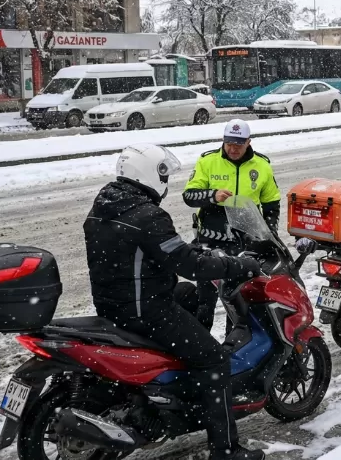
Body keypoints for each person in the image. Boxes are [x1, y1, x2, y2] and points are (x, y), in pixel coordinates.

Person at [85, 145, 266, 460]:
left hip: (115, 304)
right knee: (215, 360)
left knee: (193, 296)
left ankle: (179, 386)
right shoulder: (147, 215)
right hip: (147, 311)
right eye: (163, 173)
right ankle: (226, 450)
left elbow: (149, 257)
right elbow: (189, 264)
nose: (165, 180)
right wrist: (235, 265)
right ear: (148, 173)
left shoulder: (104, 206)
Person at [182, 119, 281, 330]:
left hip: (244, 244)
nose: (232, 148)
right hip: (211, 241)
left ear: (248, 142)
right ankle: (201, 350)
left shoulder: (262, 165)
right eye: (229, 143)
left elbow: (271, 204)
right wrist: (212, 195)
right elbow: (189, 196)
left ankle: (235, 347)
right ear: (223, 140)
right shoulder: (207, 161)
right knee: (205, 301)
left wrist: (269, 234)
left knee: (239, 302)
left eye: (238, 144)